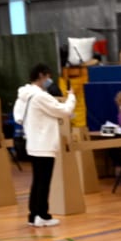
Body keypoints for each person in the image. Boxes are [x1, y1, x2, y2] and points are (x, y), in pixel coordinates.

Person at [14, 63, 76, 227]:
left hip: (33, 143)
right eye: (48, 76)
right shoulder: (41, 96)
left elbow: (18, 117)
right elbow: (64, 110)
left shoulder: (23, 95)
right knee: (43, 181)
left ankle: (33, 215)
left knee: (37, 181)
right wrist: (72, 97)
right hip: (45, 144)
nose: (49, 80)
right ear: (42, 75)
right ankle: (42, 215)